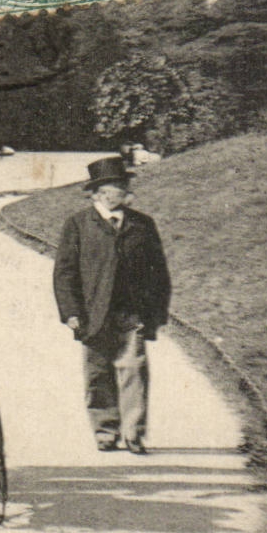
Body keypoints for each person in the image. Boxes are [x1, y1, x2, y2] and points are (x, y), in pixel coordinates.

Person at [51, 156, 171, 453]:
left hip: (133, 313)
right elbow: (64, 273)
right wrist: (71, 313)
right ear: (98, 192)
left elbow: (159, 272)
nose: (125, 190)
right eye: (117, 186)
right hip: (94, 314)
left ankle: (133, 433)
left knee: (133, 370)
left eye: (123, 185)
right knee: (98, 374)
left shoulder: (142, 224)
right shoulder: (78, 225)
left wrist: (155, 313)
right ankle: (105, 431)